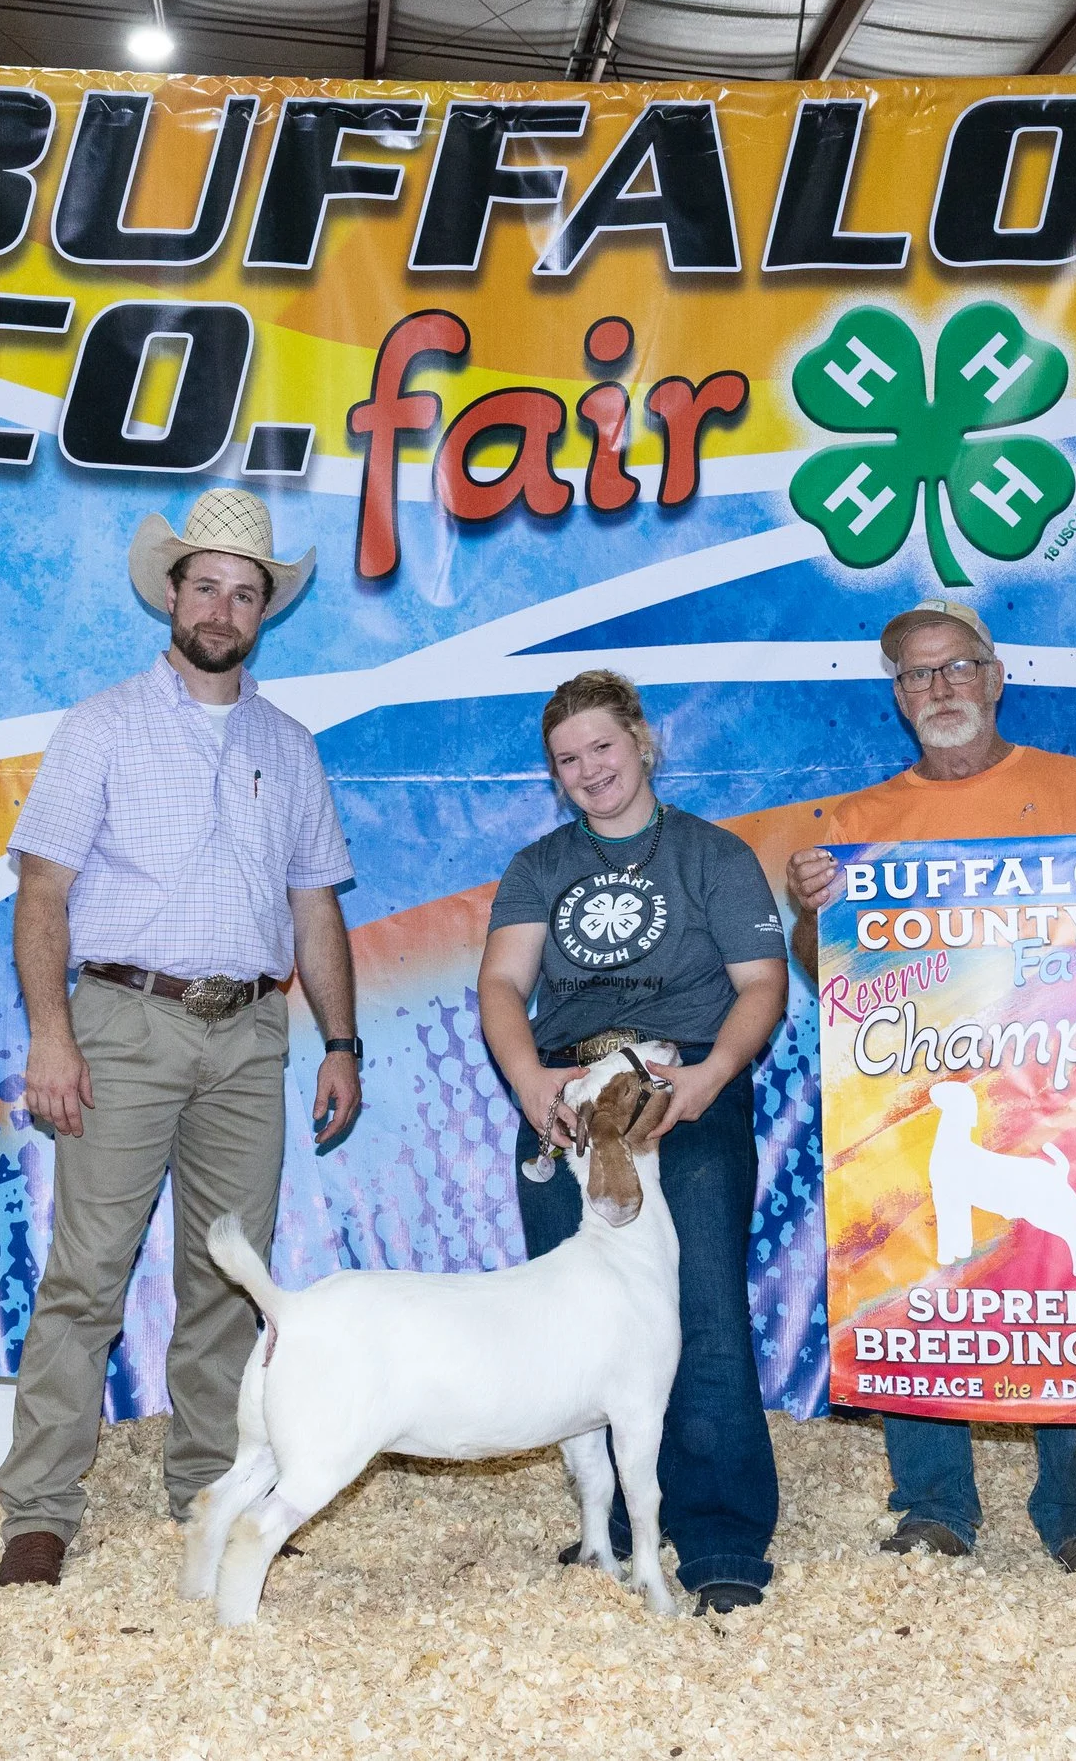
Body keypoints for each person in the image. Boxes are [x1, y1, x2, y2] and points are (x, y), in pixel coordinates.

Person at [786, 598, 1076, 1578]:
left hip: (1066, 1095)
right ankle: (934, 1505)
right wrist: (813, 912)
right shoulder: (861, 825)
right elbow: (830, 976)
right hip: (919, 1095)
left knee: (1069, 1280)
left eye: (956, 666)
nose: (939, 687)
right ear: (898, 696)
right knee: (919, 1283)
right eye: (917, 673)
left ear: (993, 679)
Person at [0, 488, 363, 1590]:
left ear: (263, 611)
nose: (222, 608)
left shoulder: (289, 747)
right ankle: (38, 1510)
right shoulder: (100, 726)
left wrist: (341, 1041)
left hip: (251, 1033)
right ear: (171, 593)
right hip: (123, 1021)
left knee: (231, 1282)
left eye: (244, 593)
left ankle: (211, 1488)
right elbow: (42, 893)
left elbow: (314, 906)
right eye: (206, 586)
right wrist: (53, 1037)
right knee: (87, 1277)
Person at [478, 669, 789, 1615]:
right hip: (570, 1099)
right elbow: (502, 985)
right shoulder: (538, 866)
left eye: (603, 748)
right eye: (567, 760)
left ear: (643, 743)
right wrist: (529, 1079)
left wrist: (712, 1076)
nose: (589, 770)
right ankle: (605, 1527)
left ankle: (722, 1534)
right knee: (572, 1318)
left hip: (680, 1096)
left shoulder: (714, 855)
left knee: (701, 1306)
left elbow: (762, 982)